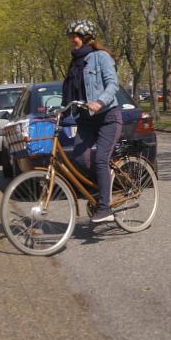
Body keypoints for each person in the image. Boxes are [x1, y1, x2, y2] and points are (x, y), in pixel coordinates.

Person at [62, 19, 122, 223]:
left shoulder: (101, 57)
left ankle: (105, 209)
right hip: (86, 119)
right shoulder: (76, 63)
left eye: (76, 37)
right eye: (71, 37)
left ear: (86, 38)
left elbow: (113, 85)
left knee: (100, 159)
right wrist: (60, 111)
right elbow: (70, 92)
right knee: (79, 158)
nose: (73, 40)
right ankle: (103, 190)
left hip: (108, 117)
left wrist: (99, 102)